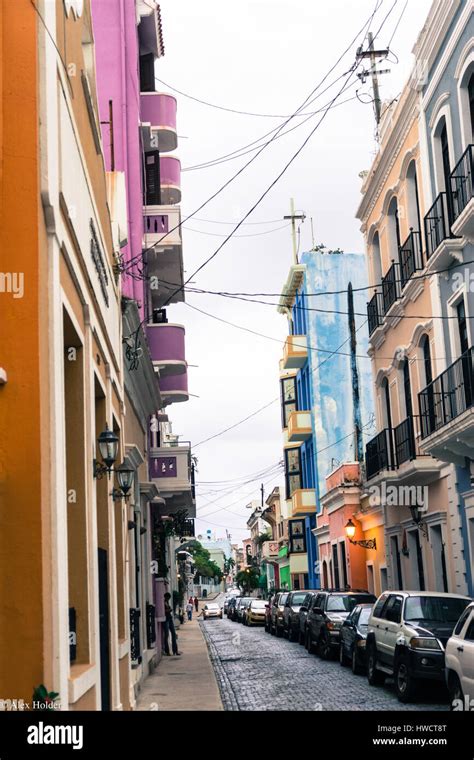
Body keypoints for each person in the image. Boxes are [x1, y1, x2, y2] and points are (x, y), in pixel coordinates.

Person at [163, 592, 181, 656]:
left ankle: (175, 651)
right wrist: (169, 610)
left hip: (169, 619)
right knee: (166, 635)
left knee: (173, 634)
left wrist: (169, 610)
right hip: (165, 620)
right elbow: (163, 611)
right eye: (168, 598)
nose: (168, 599)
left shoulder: (166, 602)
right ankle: (167, 651)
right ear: (165, 597)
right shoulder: (163, 602)